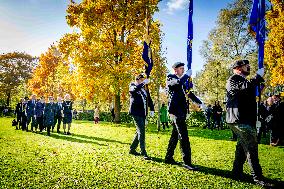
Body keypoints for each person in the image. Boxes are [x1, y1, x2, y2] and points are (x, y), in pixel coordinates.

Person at [226, 59, 273, 187]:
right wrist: (256, 77)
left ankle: (236, 172)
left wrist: (260, 82)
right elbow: (241, 90)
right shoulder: (233, 79)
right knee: (251, 148)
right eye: (245, 65)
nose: (248, 67)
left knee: (242, 147)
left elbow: (253, 91)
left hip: (245, 119)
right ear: (238, 68)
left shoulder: (245, 81)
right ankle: (258, 177)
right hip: (239, 119)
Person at [165, 62, 205, 170]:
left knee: (175, 136)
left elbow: (189, 94)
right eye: (181, 69)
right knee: (184, 137)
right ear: (175, 70)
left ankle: (168, 157)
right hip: (175, 111)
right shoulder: (171, 77)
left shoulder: (183, 83)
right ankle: (187, 162)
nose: (183, 70)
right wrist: (186, 76)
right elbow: (175, 85)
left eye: (183, 69)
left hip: (182, 111)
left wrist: (200, 102)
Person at [129, 73, 154, 160]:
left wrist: (152, 109)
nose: (143, 81)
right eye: (142, 80)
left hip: (143, 112)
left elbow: (149, 99)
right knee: (142, 131)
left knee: (139, 132)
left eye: (144, 80)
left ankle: (132, 149)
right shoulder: (132, 85)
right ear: (138, 80)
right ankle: (143, 152)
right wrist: (143, 83)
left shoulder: (144, 88)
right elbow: (134, 90)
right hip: (136, 112)